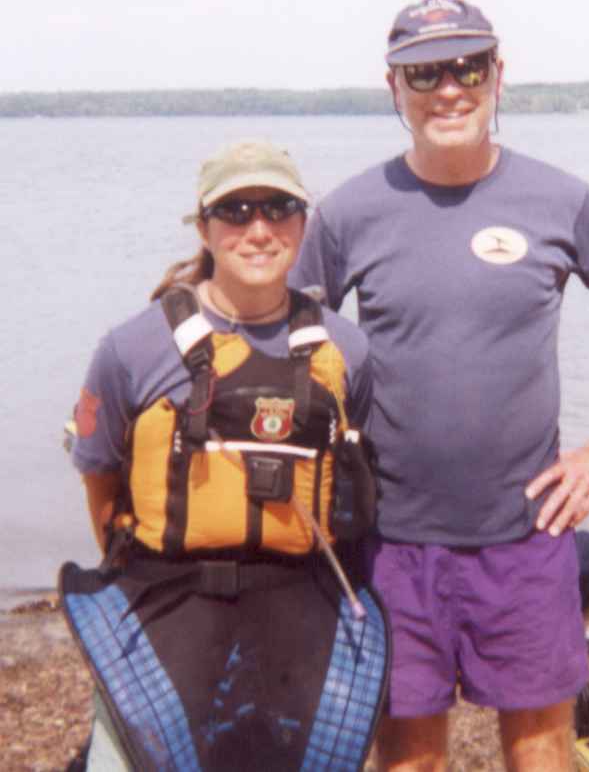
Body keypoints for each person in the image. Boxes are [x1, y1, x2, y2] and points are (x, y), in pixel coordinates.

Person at [290, 0, 589, 771]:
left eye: (466, 67)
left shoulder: (558, 199)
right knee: (409, 758)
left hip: (525, 536)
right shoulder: (345, 214)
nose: (448, 88)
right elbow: (282, 342)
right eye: (423, 73)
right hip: (391, 541)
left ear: (497, 76)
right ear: (393, 87)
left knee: (539, 749)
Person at [63, 140, 387, 770]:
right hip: (164, 601)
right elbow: (99, 478)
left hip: (300, 607)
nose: (258, 229)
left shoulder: (347, 350)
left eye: (278, 208)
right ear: (204, 227)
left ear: (303, 222)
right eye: (236, 211)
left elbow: (356, 476)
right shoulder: (131, 349)